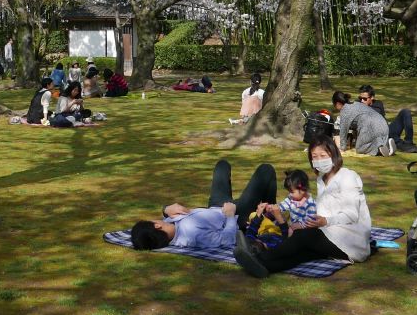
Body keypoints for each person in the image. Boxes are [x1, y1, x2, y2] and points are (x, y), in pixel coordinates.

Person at [233, 135, 372, 278]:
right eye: (314, 157)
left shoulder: (348, 177)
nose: (318, 160)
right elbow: (320, 211)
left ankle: (258, 256)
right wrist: (305, 223)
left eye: (322, 155)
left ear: (333, 154)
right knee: (303, 253)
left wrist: (324, 222)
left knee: (304, 237)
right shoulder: (321, 179)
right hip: (329, 235)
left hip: (349, 241)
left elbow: (352, 214)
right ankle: (266, 267)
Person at [129, 160, 279, 253]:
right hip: (237, 215)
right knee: (265, 170)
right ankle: (269, 218)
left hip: (215, 207)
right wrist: (230, 216)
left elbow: (166, 215)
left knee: (222, 165)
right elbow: (226, 240)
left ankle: (266, 215)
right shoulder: (192, 236)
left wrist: (166, 209)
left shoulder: (170, 226)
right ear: (156, 226)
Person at [357, 84, 417, 154]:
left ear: (372, 97)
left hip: (387, 129)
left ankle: (408, 142)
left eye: (365, 99)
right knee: (389, 136)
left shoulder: (379, 103)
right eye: (360, 98)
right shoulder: (358, 106)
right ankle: (399, 143)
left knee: (406, 112)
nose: (362, 101)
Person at [331, 90, 395, 156]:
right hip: (383, 124)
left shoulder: (345, 111)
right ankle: (388, 146)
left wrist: (342, 148)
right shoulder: (356, 103)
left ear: (338, 103)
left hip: (370, 126)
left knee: (360, 148)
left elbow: (343, 131)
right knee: (375, 139)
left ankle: (378, 150)